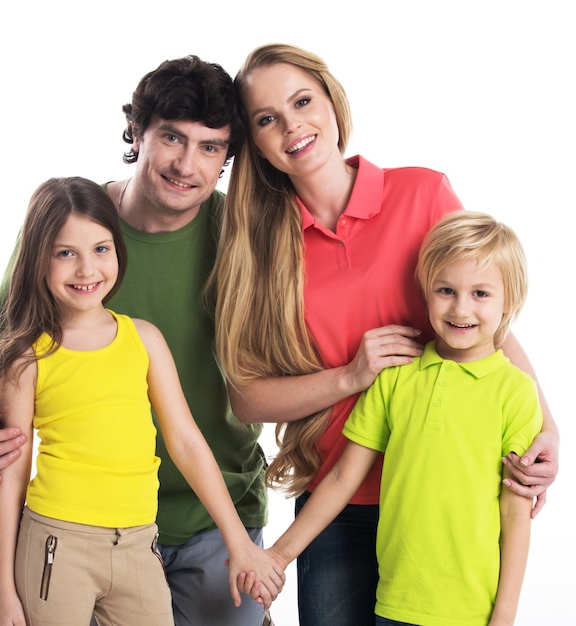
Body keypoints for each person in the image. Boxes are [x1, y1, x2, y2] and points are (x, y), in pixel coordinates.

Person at [210, 43, 559, 626]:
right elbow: (246, 398)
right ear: (255, 141)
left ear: (332, 101)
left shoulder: (422, 194)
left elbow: (485, 322)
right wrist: (348, 376)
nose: (293, 125)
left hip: (447, 490)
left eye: (303, 101)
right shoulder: (258, 248)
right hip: (335, 498)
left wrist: (545, 427)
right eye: (268, 119)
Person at [0, 57, 279, 626]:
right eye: (172, 138)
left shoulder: (243, 236)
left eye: (211, 148)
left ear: (228, 158)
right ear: (138, 133)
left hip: (216, 511)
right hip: (78, 519)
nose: (187, 165)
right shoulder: (71, 226)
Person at [243, 210, 543, 625]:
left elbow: (515, 513)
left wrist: (505, 613)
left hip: (473, 610)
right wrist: (278, 555)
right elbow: (341, 478)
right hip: (396, 600)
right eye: (446, 290)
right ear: (425, 291)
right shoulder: (396, 376)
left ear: (510, 300)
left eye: (481, 294)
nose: (460, 308)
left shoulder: (516, 392)